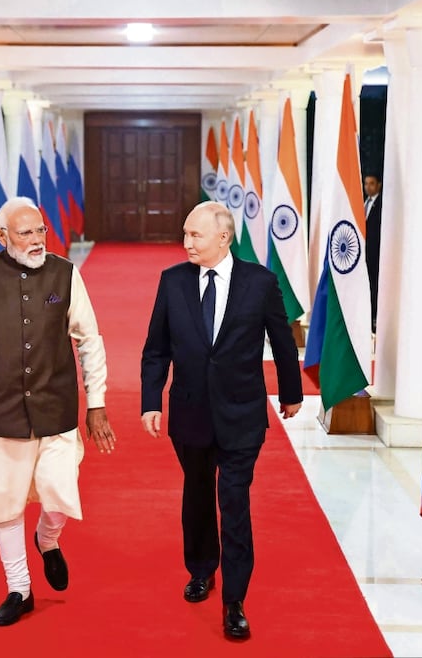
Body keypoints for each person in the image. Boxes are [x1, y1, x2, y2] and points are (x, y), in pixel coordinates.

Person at [0, 196, 117, 627]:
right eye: (25, 232)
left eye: (41, 231)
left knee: (60, 492)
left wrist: (97, 403)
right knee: (5, 503)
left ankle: (47, 539)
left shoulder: (65, 274)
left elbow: (90, 339)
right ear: (2, 236)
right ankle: (20, 588)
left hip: (55, 407)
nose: (36, 240)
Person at [140, 201, 303, 640]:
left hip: (242, 415)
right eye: (185, 234)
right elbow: (156, 347)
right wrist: (150, 400)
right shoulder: (172, 282)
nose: (186, 242)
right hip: (189, 412)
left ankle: (235, 601)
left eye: (195, 235)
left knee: (234, 501)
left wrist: (291, 393)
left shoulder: (260, 283)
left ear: (223, 238)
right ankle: (201, 569)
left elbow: (282, 341)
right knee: (196, 494)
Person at [363, 173, 383, 332]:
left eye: (371, 183)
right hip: (365, 256)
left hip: (376, 255)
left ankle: (375, 319)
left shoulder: (382, 205)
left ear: (379, 185)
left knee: (376, 287)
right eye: (366, 184)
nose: (368, 187)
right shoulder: (364, 203)